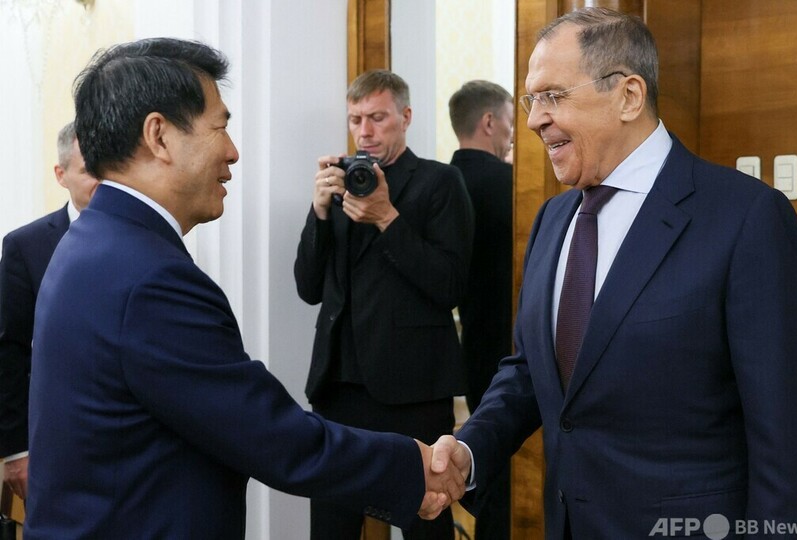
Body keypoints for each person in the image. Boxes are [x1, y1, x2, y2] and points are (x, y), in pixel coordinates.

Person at [24, 38, 465, 539]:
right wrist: (411, 467)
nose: (233, 151)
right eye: (220, 127)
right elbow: (268, 434)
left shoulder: (90, 240)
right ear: (159, 136)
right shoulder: (151, 279)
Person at [431, 7, 797, 539]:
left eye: (553, 95)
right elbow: (529, 371)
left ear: (629, 96)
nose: (534, 119)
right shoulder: (552, 219)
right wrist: (470, 450)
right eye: (532, 100)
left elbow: (785, 436)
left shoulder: (746, 218)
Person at [294, 69, 474, 539]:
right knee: (330, 528)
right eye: (356, 119)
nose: (365, 131)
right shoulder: (340, 184)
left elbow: (450, 286)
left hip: (413, 389)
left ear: (406, 117)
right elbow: (308, 288)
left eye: (377, 117)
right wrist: (318, 212)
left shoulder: (440, 182)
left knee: (427, 524)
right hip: (338, 387)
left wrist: (387, 218)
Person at [0, 121, 99, 502]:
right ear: (61, 175)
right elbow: (9, 349)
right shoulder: (26, 246)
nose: (102, 180)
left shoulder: (146, 236)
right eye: (89, 170)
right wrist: (15, 452)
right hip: (54, 445)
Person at [447, 80, 513, 540]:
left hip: (471, 348)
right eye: (509, 120)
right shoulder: (514, 186)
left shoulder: (437, 185)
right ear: (489, 122)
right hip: (515, 346)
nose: (513, 132)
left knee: (485, 458)